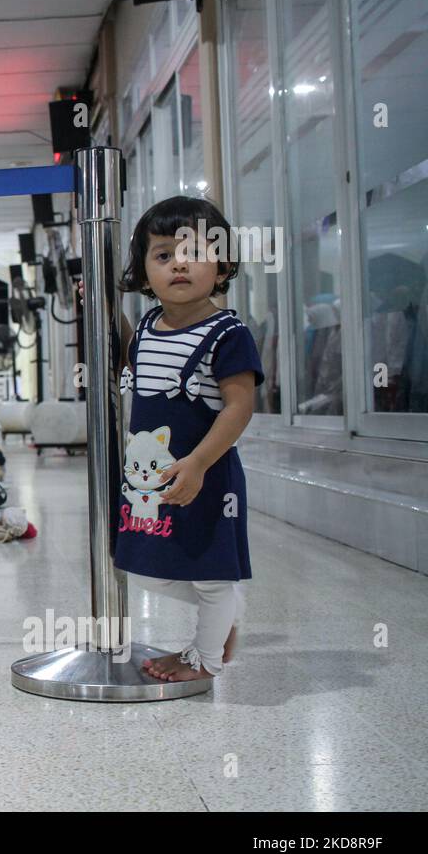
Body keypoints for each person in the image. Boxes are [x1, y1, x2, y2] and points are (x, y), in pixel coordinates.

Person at [113, 196, 263, 681]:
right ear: (144, 273)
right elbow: (136, 379)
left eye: (193, 252)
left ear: (221, 268)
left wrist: (198, 463)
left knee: (209, 569)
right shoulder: (144, 329)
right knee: (148, 565)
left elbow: (239, 407)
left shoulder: (227, 333)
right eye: (162, 255)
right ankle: (224, 614)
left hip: (206, 475)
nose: (178, 263)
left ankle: (205, 657)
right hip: (152, 481)